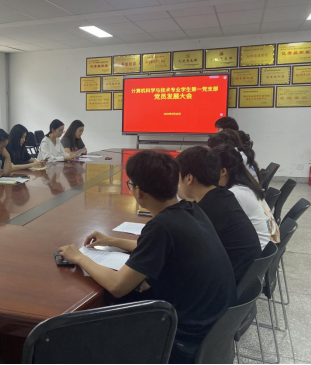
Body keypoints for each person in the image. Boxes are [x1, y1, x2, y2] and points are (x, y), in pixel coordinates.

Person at [59, 150, 236, 364]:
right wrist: (112, 240)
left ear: (139, 191)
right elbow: (160, 248)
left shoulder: (161, 227)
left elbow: (117, 285)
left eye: (130, 185)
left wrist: (79, 257)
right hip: (213, 330)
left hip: (183, 338)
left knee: (89, 325)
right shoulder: (190, 209)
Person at [177, 146, 262, 284]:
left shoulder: (205, 212)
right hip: (243, 280)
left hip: (227, 284)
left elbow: (178, 253)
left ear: (189, 178)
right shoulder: (224, 195)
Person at [213, 145, 280, 249]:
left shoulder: (234, 193)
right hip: (268, 246)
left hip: (259, 251)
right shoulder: (247, 185)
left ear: (223, 171)